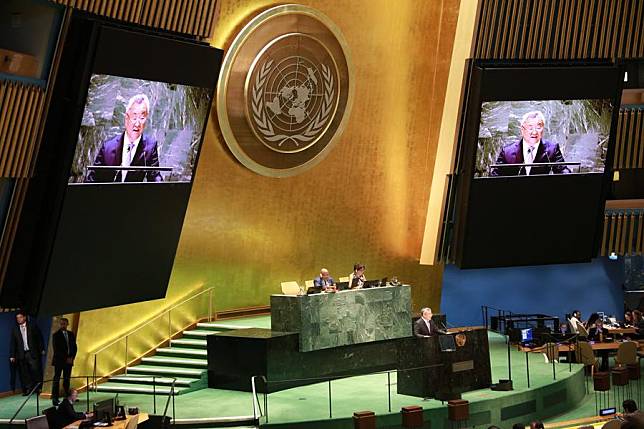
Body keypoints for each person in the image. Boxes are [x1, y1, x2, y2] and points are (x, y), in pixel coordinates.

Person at [85, 94, 163, 183]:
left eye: (142, 118)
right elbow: (92, 179)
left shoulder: (150, 147)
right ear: (126, 118)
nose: (137, 124)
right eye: (134, 118)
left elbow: (155, 176)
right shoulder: (108, 147)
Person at [490, 111, 571, 177]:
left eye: (538, 128)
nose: (534, 132)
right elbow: (495, 176)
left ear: (543, 129)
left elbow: (563, 171)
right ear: (522, 130)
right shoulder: (507, 152)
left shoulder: (552, 149)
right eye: (530, 128)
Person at [9, 311, 44, 395]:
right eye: (17, 318)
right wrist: (12, 355)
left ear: (24, 317)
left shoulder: (32, 326)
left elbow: (39, 338)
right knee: (24, 373)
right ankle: (29, 389)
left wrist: (42, 349)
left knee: (36, 370)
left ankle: (38, 388)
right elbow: (13, 343)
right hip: (21, 354)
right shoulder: (15, 329)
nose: (18, 319)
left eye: (20, 317)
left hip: (32, 353)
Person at [51, 317, 78, 406]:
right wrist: (66, 358)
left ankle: (68, 397)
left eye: (64, 324)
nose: (62, 325)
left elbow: (74, 347)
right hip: (59, 361)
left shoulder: (71, 334)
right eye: (61, 324)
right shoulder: (56, 335)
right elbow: (57, 349)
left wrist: (72, 357)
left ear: (67, 324)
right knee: (56, 379)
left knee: (67, 379)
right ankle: (55, 398)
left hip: (69, 361)